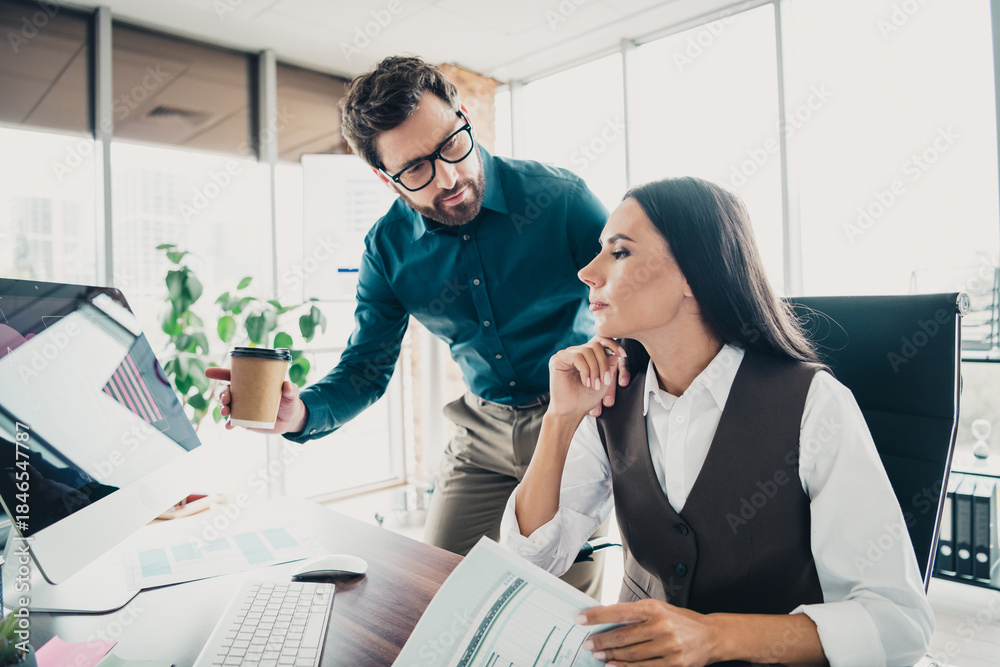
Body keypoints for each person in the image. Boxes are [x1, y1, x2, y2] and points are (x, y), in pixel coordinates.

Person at [206, 56, 624, 597]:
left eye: (452, 144)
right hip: (481, 431)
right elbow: (365, 367)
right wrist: (302, 411)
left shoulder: (560, 200)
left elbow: (632, 298)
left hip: (575, 421)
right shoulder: (387, 250)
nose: (448, 177)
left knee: (561, 605)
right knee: (439, 590)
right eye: (416, 170)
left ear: (464, 116)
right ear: (385, 178)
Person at [499, 177, 934, 666]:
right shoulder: (611, 398)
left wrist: (713, 636)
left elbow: (897, 623)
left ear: (692, 274)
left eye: (619, 253)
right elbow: (527, 563)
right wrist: (560, 419)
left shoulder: (814, 402)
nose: (586, 272)